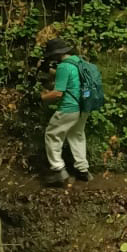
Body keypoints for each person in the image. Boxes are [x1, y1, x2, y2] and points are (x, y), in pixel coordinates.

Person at [40, 38, 93, 185]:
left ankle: (58, 170)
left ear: (55, 55)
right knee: (76, 135)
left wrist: (43, 96)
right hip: (84, 107)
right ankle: (83, 171)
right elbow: (71, 78)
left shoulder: (64, 67)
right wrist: (50, 71)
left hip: (70, 107)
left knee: (52, 134)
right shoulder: (79, 62)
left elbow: (58, 93)